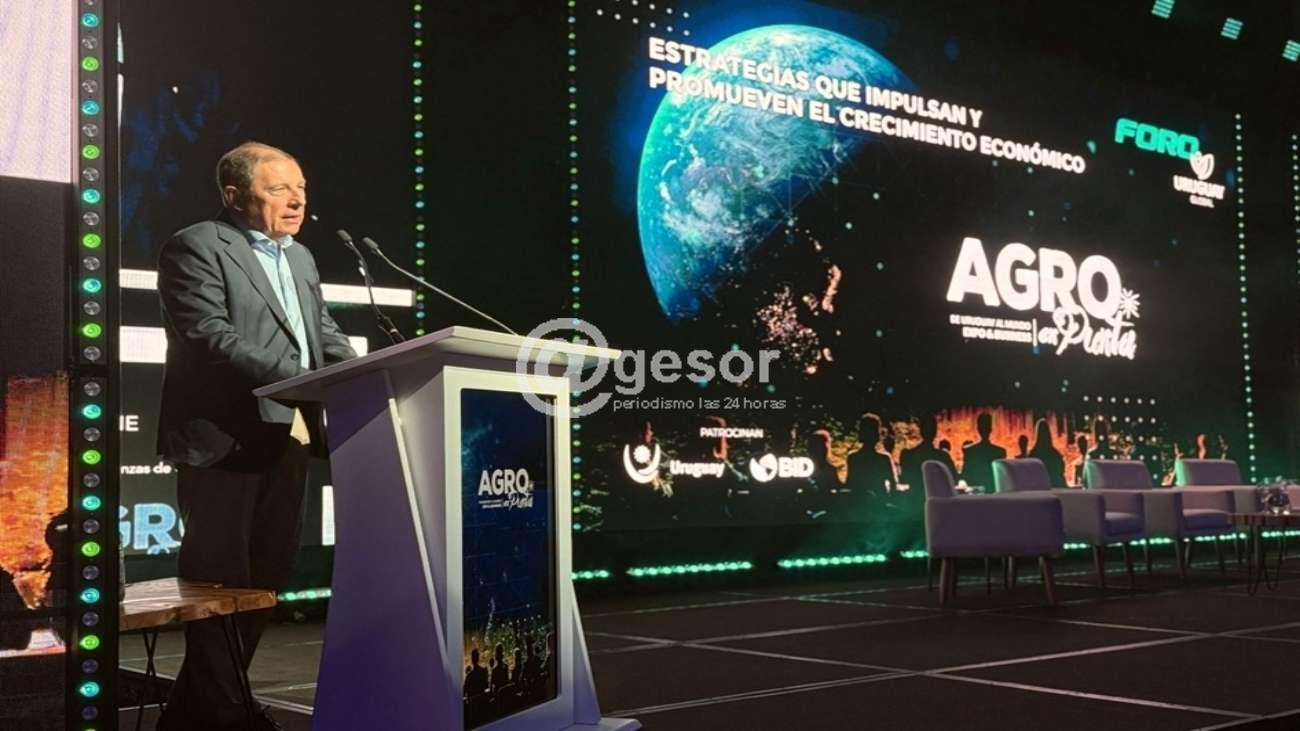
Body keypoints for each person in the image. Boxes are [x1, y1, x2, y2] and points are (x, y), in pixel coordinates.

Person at [155, 142, 357, 731]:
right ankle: (229, 713)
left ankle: (199, 714)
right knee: (219, 586)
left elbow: (320, 331)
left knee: (264, 585)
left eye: (301, 188)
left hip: (288, 435)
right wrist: (303, 378)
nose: (296, 200)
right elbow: (209, 335)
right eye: (278, 189)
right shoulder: (196, 245)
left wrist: (366, 373)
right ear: (235, 195)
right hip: (224, 440)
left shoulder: (301, 258)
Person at [961, 412, 1006, 493]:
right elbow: (1003, 479)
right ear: (990, 429)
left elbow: (966, 475)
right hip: (994, 494)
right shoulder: (1000, 452)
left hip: (975, 495)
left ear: (978, 429)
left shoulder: (969, 451)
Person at [1027, 418, 1066, 487]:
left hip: (1038, 487)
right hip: (1055, 486)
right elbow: (1061, 470)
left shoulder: (1033, 454)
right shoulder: (1055, 454)